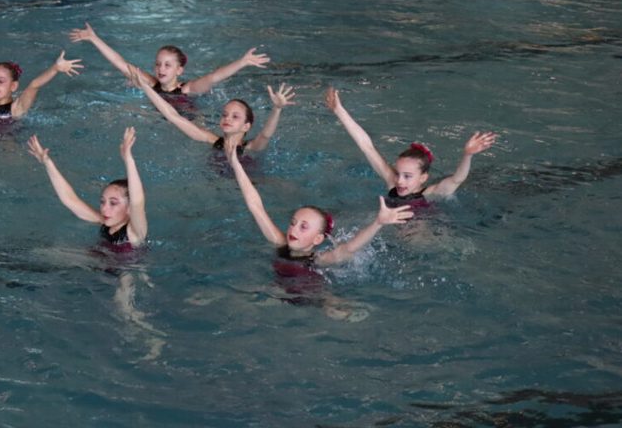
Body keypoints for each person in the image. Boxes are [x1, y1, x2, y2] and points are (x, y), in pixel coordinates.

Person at [224, 142, 413, 319]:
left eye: (303, 227)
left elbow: (349, 248)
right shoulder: (279, 242)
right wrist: (236, 164)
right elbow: (255, 206)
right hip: (277, 292)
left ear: (318, 239)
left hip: (316, 299)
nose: (293, 229)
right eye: (293, 222)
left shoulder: (319, 260)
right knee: (235, 297)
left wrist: (378, 223)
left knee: (341, 312)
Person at [28, 127, 162, 359]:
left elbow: (139, 201)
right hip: (98, 260)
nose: (105, 208)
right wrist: (47, 162)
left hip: (126, 271)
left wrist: (128, 159)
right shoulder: (104, 221)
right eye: (102, 202)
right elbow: (70, 200)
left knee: (123, 310)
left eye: (113, 203)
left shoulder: (134, 232)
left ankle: (153, 341)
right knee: (41, 253)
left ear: (128, 209)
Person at [325, 87, 498, 207]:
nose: (399, 181)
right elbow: (366, 146)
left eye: (407, 176)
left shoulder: (431, 194)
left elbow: (457, 179)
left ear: (423, 178)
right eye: (399, 174)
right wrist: (339, 111)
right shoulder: (392, 183)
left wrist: (467, 154)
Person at [69, 22, 269, 103]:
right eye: (158, 64)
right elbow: (120, 63)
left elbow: (214, 77)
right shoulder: (151, 83)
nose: (160, 69)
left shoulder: (187, 89)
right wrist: (94, 39)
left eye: (167, 65)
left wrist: (242, 62)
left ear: (179, 70)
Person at [127, 64, 294, 156]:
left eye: (235, 116)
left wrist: (277, 109)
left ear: (246, 126)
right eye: (225, 115)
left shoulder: (251, 148)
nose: (227, 118)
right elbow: (173, 116)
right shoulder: (211, 140)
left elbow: (265, 134)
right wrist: (145, 88)